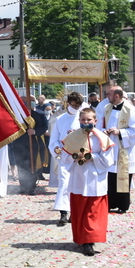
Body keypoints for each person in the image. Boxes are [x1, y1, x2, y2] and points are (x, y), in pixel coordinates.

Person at [61, 108, 115, 256]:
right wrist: (75, 156)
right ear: (79, 120)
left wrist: (92, 157)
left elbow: (108, 160)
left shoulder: (102, 138)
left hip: (96, 180)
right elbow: (64, 158)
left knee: (94, 212)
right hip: (79, 178)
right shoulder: (73, 136)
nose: (86, 122)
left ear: (95, 121)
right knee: (80, 210)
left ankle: (90, 241)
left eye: (89, 120)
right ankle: (82, 239)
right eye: (83, 120)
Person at [98, 87, 135, 213]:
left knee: (123, 176)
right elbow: (99, 125)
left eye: (109, 94)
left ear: (117, 96)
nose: (107, 96)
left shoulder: (129, 109)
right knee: (110, 176)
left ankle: (122, 205)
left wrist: (119, 132)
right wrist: (103, 131)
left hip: (124, 148)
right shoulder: (107, 108)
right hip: (111, 147)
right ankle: (110, 203)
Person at [48, 92, 85, 226]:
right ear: (68, 104)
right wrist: (58, 148)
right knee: (64, 183)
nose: (76, 108)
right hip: (65, 157)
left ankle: (74, 213)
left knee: (77, 185)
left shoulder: (83, 118)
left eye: (78, 106)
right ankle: (63, 212)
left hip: (80, 158)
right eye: (74, 106)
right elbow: (54, 139)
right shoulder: (61, 119)